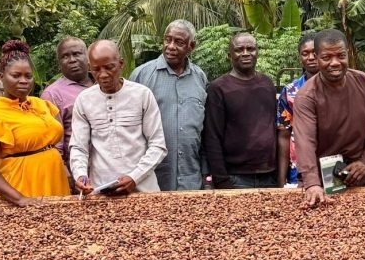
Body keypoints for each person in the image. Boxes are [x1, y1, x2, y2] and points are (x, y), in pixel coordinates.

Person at [293, 29, 365, 206]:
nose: (335, 63)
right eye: (327, 57)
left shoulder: (363, 81)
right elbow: (305, 141)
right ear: (317, 58)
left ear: (347, 54)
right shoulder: (307, 96)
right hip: (321, 179)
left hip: (357, 173)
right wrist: (312, 183)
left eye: (341, 56)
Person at [0, 40, 71, 206]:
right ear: (1, 77)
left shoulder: (42, 105)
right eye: (16, 75)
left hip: (55, 179)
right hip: (20, 188)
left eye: (28, 76)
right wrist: (20, 199)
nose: (24, 80)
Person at [70, 40, 167, 195]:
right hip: (101, 191)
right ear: (89, 68)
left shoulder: (142, 95)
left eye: (109, 67)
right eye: (96, 69)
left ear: (121, 64)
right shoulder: (84, 100)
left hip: (143, 190)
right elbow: (78, 147)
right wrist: (80, 175)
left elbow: (158, 145)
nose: (103, 75)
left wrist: (134, 177)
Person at [130, 19, 208, 191]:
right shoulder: (142, 75)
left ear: (191, 46)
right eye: (167, 40)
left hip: (191, 179)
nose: (171, 46)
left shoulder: (200, 77)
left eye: (179, 42)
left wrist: (206, 175)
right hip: (151, 179)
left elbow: (203, 130)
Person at [203, 33, 277, 189]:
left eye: (250, 49)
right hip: (236, 178)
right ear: (229, 55)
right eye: (239, 50)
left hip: (270, 175)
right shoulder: (219, 88)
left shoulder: (267, 84)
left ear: (257, 52)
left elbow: (274, 128)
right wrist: (221, 179)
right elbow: (212, 136)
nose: (245, 53)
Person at [41, 37, 94, 175]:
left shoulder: (103, 83)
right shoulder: (52, 95)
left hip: (112, 170)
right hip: (79, 173)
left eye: (77, 54)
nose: (72, 60)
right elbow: (53, 143)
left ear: (88, 56)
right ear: (59, 64)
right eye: (65, 56)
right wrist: (66, 174)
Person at [277, 32, 318, 187]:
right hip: (299, 168)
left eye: (315, 52)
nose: (311, 57)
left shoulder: (340, 87)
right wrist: (281, 181)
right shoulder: (290, 91)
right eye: (305, 53)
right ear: (300, 57)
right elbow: (284, 135)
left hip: (332, 165)